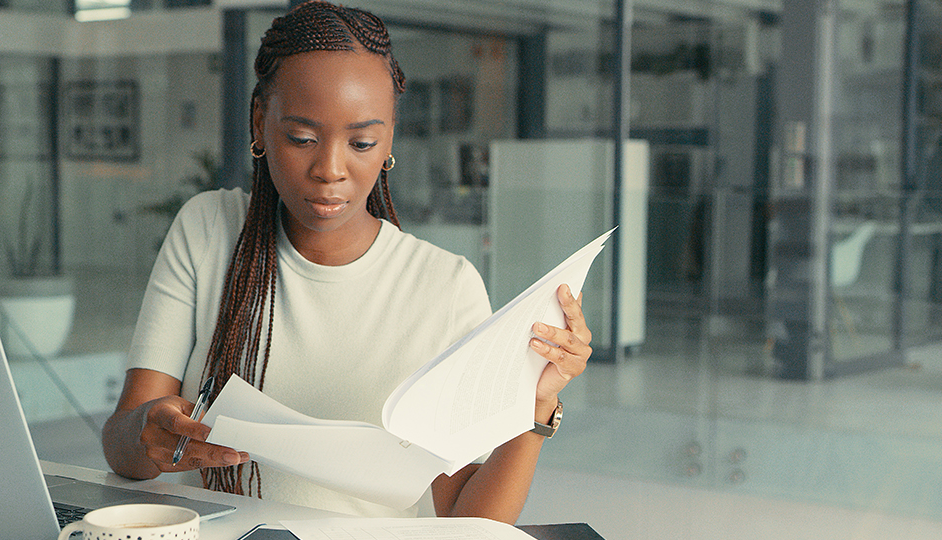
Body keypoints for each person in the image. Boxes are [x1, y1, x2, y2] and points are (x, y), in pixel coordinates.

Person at [100, 0, 593, 523]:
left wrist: (534, 407)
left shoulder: (445, 287)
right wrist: (147, 436)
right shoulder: (207, 229)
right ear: (260, 120)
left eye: (361, 142)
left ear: (389, 140)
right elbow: (123, 446)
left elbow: (472, 523)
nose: (330, 169)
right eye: (302, 138)